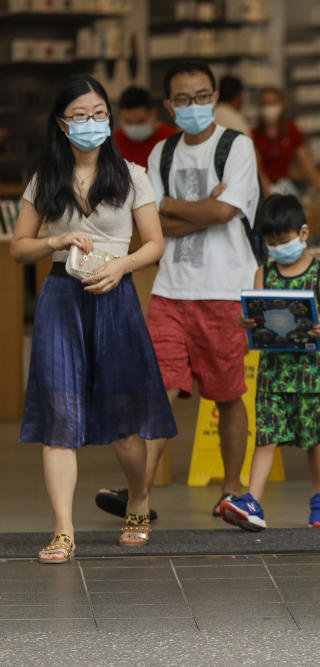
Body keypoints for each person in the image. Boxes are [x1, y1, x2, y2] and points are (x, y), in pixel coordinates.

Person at [11, 75, 176, 560]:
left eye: (99, 113)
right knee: (59, 417)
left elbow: (155, 243)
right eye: (80, 115)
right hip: (62, 296)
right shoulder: (46, 178)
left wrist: (122, 265)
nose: (91, 123)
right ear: (62, 124)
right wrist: (55, 241)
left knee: (124, 421)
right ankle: (63, 529)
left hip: (114, 296)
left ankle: (139, 501)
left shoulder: (131, 174)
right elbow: (19, 247)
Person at [94, 61, 260, 520]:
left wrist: (171, 206)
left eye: (203, 96)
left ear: (216, 98)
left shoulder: (237, 147)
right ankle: (139, 496)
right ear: (168, 106)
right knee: (159, 392)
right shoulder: (161, 153)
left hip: (226, 290)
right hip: (170, 291)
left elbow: (226, 215)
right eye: (183, 100)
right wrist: (197, 209)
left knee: (227, 395)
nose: (194, 106)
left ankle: (231, 489)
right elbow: (151, 228)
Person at [222, 194, 320, 530]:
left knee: (312, 436)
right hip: (271, 374)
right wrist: (248, 323)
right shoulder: (263, 273)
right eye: (270, 243)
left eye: (282, 241)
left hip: (308, 374)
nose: (276, 248)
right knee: (266, 436)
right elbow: (257, 314)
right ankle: (253, 501)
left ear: (302, 234)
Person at [251, 88, 320, 196]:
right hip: (263, 191)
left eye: (273, 103)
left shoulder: (291, 130)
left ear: (281, 104)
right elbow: (257, 169)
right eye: (265, 104)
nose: (269, 108)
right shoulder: (254, 134)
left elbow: (306, 162)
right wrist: (269, 192)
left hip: (284, 186)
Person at [113, 85, 177, 168]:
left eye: (140, 122)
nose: (134, 127)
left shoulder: (172, 138)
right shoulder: (116, 139)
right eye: (129, 122)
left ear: (153, 113)